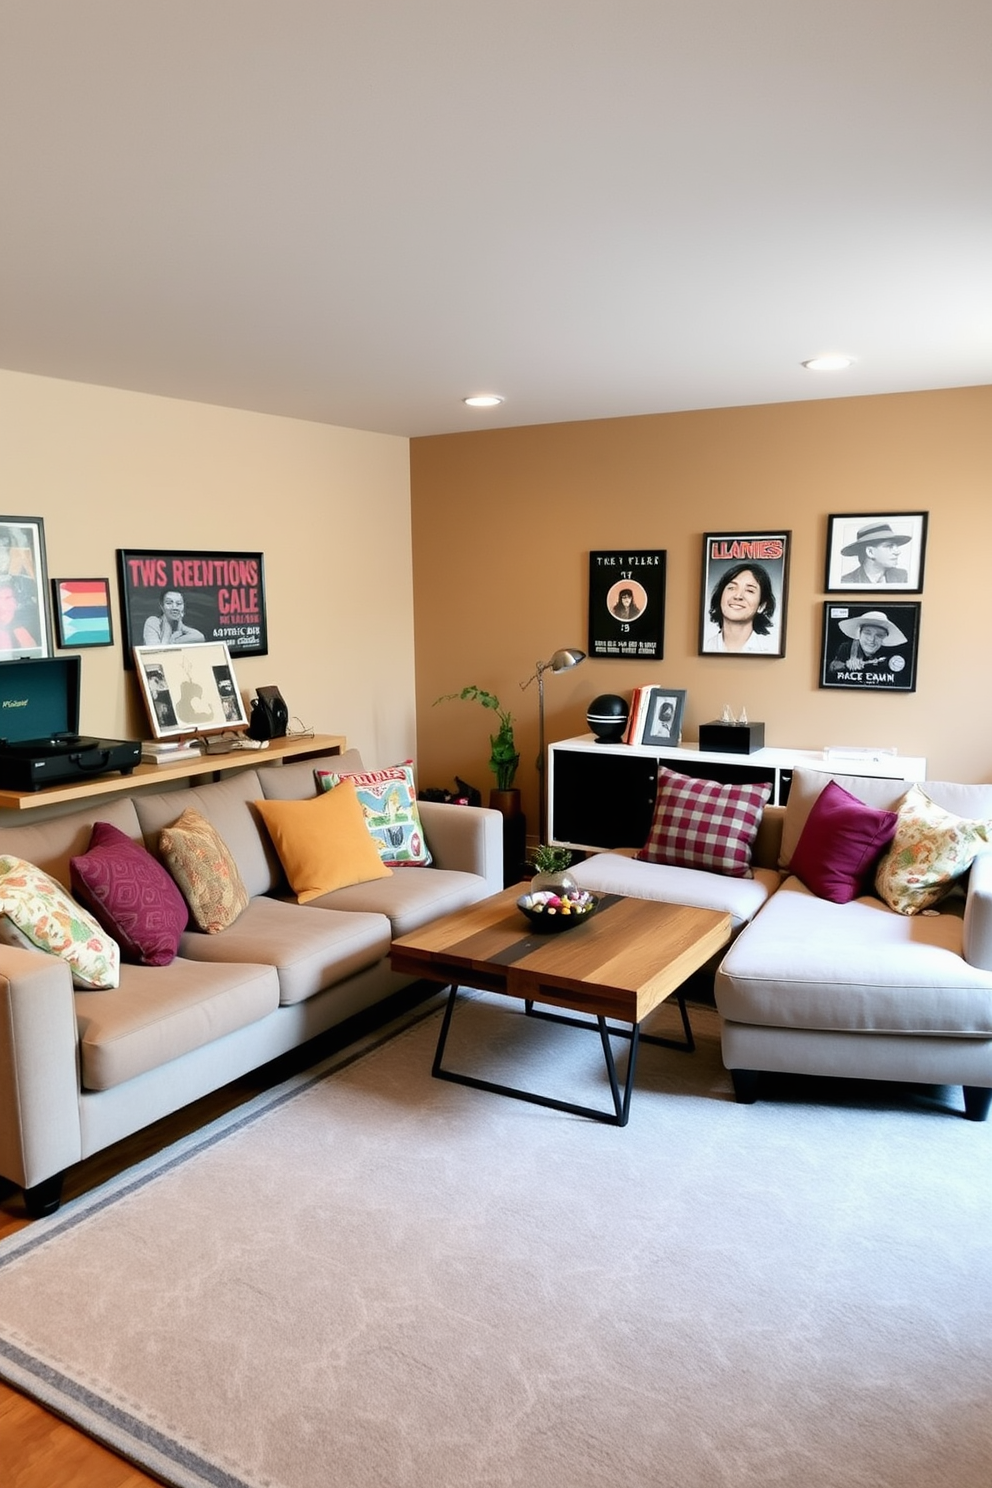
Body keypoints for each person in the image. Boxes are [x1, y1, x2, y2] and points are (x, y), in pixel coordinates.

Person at [704, 563, 777, 653]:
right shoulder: (707, 646)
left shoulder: (770, 649)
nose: (738, 596)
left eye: (750, 590)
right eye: (731, 588)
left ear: (761, 606)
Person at [828, 610, 907, 675]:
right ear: (859, 634)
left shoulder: (890, 653)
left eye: (879, 635)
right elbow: (832, 667)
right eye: (867, 633)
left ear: (885, 638)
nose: (871, 639)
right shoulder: (846, 647)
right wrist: (846, 664)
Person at [839, 522, 911, 585]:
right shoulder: (847, 582)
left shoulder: (901, 576)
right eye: (889, 546)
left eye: (896, 546)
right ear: (870, 552)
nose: (898, 552)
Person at [0, 581, 39, 654]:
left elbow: (34, 655)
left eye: (8, 598)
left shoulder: (22, 631)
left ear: (16, 603)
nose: (3, 604)